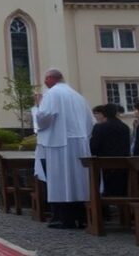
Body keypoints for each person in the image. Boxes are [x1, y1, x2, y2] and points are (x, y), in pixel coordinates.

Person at [32, 68, 94, 229]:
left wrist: (38, 106)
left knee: (62, 180)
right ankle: (81, 217)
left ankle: (63, 218)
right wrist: (83, 137)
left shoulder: (52, 94)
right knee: (78, 181)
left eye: (46, 79)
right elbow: (90, 121)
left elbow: (45, 116)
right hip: (80, 142)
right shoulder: (78, 96)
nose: (45, 82)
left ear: (53, 79)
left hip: (59, 143)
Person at [89, 103, 130, 196]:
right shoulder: (125, 127)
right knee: (121, 191)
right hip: (122, 164)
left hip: (104, 163)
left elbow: (94, 146)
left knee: (106, 190)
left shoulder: (99, 127)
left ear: (104, 114)